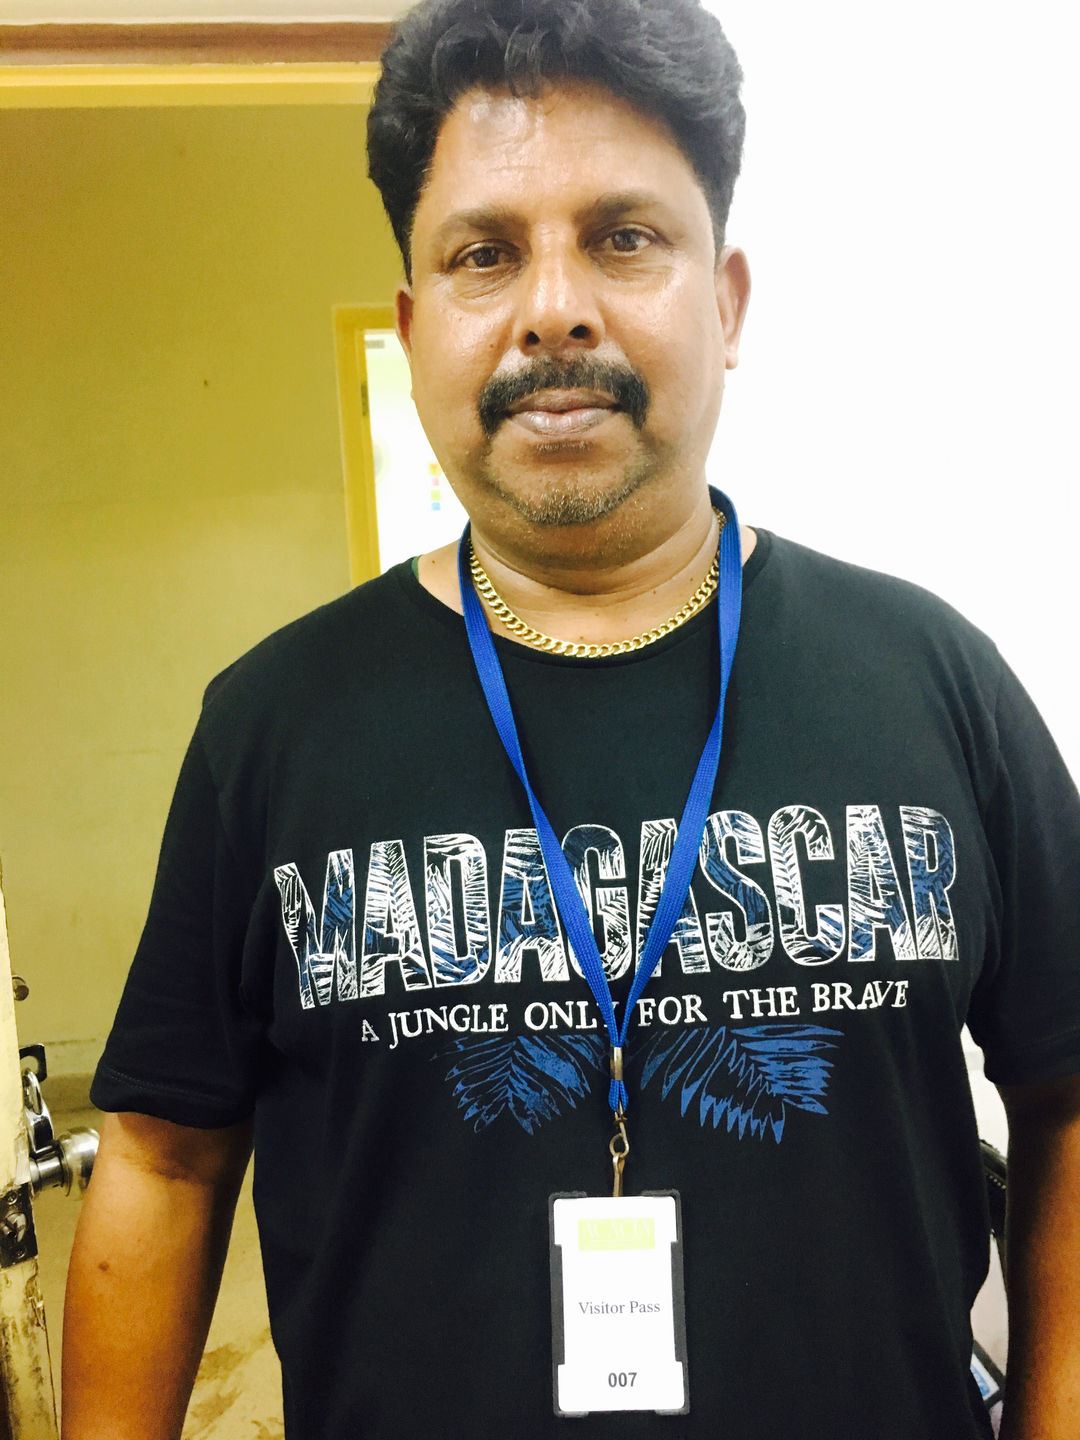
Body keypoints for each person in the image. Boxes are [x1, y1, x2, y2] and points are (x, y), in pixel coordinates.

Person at [61, 0, 1080, 1436]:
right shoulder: (272, 727)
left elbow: (1068, 1091)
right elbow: (163, 1160)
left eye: (624, 237)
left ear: (726, 304)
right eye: (484, 253)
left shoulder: (935, 682)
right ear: (413, 325)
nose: (553, 309)